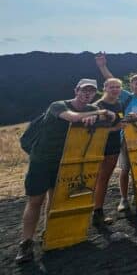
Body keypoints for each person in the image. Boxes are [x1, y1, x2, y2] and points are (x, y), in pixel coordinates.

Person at [15, 79, 113, 264]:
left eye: (91, 92)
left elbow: (113, 118)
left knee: (56, 198)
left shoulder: (89, 108)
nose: (87, 94)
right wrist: (100, 112)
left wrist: (103, 114)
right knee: (36, 200)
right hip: (42, 159)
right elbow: (72, 118)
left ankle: (49, 232)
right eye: (84, 90)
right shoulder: (58, 105)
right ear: (76, 90)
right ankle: (26, 242)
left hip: (66, 161)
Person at [96, 53, 137, 213]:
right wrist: (102, 66)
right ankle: (124, 199)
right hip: (126, 140)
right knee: (125, 170)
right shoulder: (126, 97)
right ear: (131, 85)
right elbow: (111, 80)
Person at [91, 78, 126, 227]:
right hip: (97, 147)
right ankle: (90, 211)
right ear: (105, 88)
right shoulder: (96, 106)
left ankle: (98, 212)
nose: (115, 89)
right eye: (112, 87)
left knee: (104, 179)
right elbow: (91, 130)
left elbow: (121, 121)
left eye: (118, 87)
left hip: (113, 146)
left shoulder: (119, 104)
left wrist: (122, 124)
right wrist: (114, 129)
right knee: (93, 179)